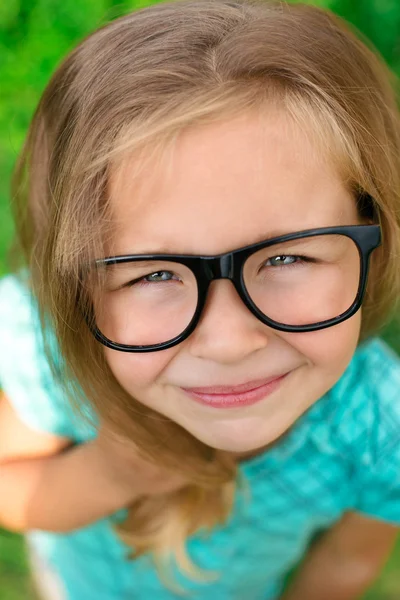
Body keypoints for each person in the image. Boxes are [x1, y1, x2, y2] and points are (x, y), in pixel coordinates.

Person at [1, 0, 400, 598]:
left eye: (288, 257)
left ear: (374, 241)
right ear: (72, 284)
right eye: (152, 274)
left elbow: (344, 565)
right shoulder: (51, 352)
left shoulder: (379, 424)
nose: (229, 341)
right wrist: (107, 474)